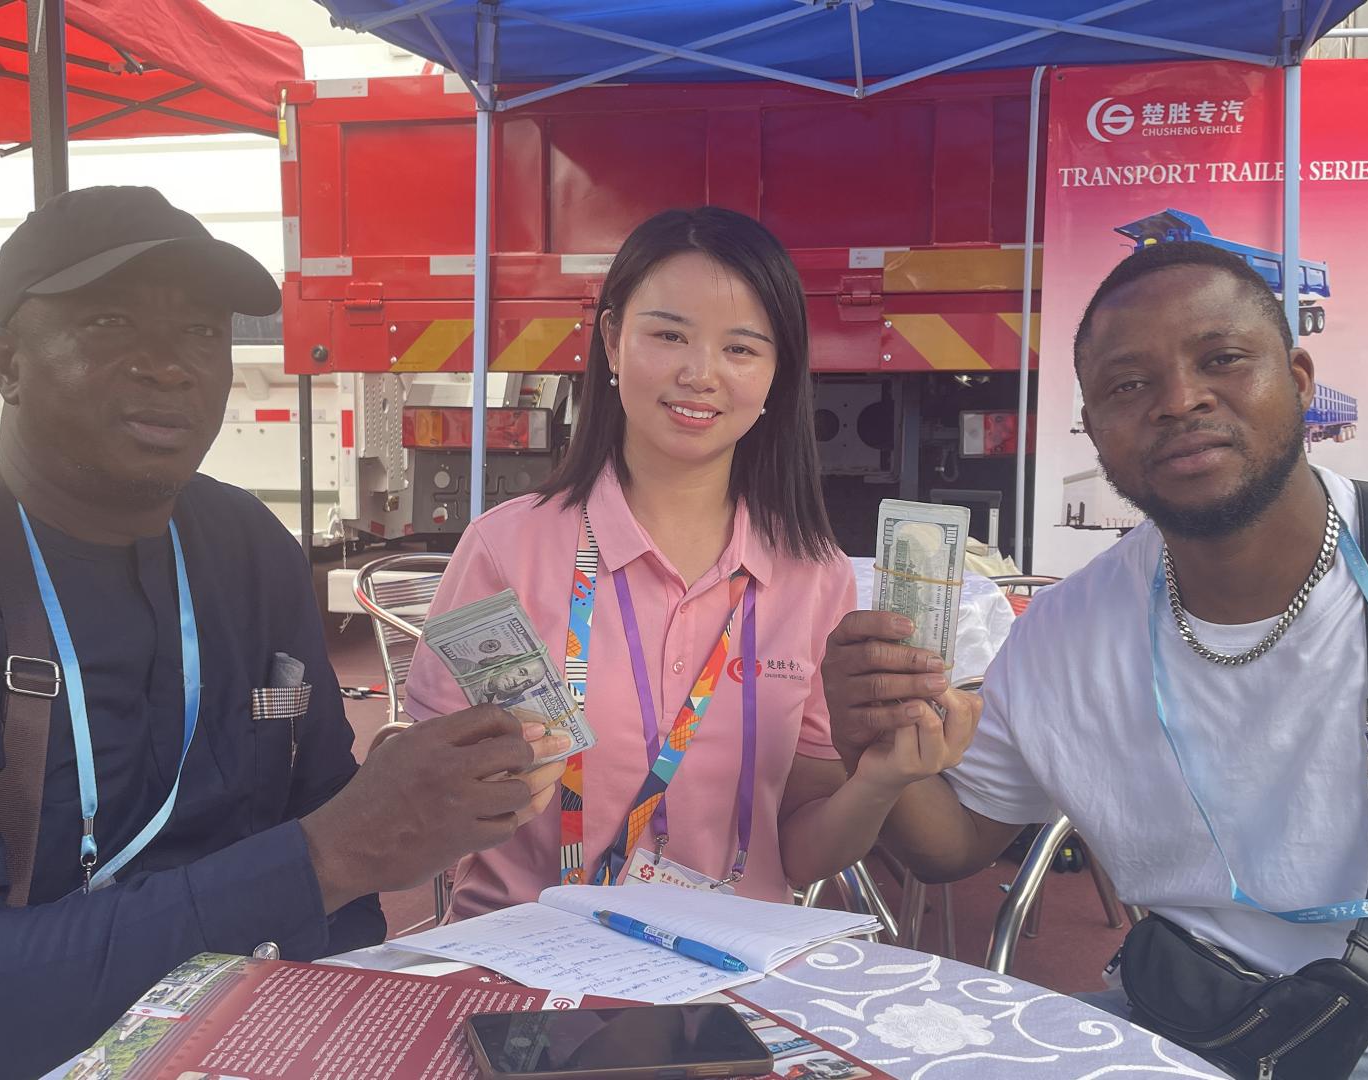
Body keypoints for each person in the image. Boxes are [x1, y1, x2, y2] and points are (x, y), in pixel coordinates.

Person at [0, 186, 569, 1080]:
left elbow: (330, 866)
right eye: (109, 322)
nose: (171, 367)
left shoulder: (248, 554)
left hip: (202, 1041)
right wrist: (337, 852)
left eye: (203, 334)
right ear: (6, 363)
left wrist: (413, 812)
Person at [828, 241, 1368, 1080]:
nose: (1180, 400)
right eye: (1128, 385)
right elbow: (955, 844)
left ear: (1300, 383)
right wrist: (877, 746)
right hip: (1189, 1025)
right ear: (1093, 428)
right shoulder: (1066, 633)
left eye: (1222, 359)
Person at [405, 206, 974, 919]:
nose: (699, 374)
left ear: (777, 375)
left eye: (741, 349)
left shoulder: (814, 575)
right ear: (612, 340)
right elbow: (421, 809)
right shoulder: (503, 552)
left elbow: (796, 853)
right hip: (530, 968)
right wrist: (494, 791)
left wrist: (879, 783)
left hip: (730, 971)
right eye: (669, 335)